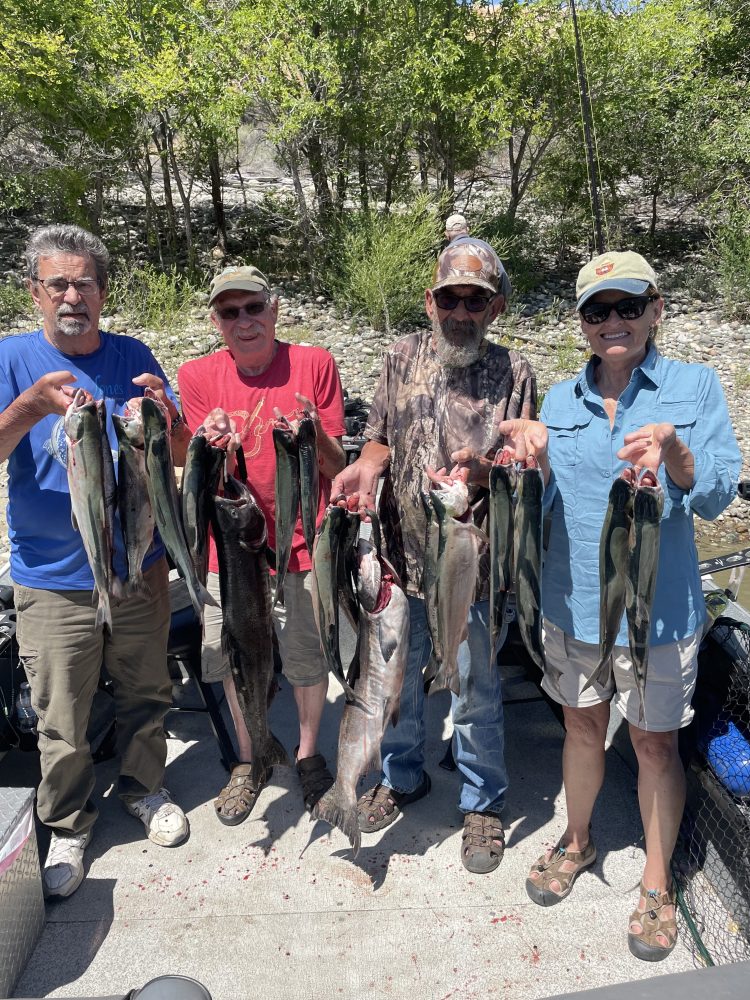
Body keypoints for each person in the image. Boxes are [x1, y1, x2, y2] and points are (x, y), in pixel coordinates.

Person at [499, 251, 740, 960]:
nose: (614, 322)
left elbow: (720, 494)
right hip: (572, 606)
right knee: (581, 727)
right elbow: (540, 510)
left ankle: (658, 881)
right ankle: (577, 841)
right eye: (597, 310)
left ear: (655, 310)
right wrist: (524, 464)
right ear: (581, 323)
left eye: (628, 306)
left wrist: (676, 458)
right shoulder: (558, 403)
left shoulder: (695, 388)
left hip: (659, 615)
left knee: (654, 741)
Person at [330, 240, 537, 874]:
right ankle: (402, 774)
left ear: (495, 308)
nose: (461, 311)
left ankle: (482, 803)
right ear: (431, 301)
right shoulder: (400, 357)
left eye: (476, 300)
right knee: (395, 681)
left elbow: (523, 465)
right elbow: (378, 439)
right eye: (451, 297)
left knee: (474, 687)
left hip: (469, 565)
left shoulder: (516, 372)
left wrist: (488, 471)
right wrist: (365, 465)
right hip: (397, 560)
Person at [0, 224, 191, 899]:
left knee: (146, 690)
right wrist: (27, 407)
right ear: (35, 293)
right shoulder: (12, 359)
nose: (71, 295)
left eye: (84, 283)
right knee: (61, 712)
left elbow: (175, 454)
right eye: (58, 284)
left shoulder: (133, 353)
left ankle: (144, 787)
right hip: (51, 578)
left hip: (136, 564)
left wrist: (169, 416)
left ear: (103, 293)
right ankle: (69, 823)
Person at [177, 265, 346, 825]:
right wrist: (212, 441)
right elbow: (208, 470)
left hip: (301, 542)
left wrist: (311, 427)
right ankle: (251, 759)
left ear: (274, 310)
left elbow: (336, 464)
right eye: (231, 312)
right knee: (231, 656)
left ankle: (306, 753)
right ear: (216, 321)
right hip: (230, 547)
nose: (244, 321)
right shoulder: (197, 374)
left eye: (254, 308)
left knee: (305, 655)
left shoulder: (314, 363)